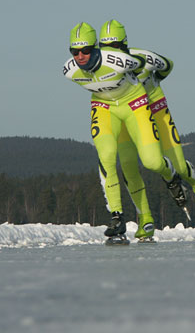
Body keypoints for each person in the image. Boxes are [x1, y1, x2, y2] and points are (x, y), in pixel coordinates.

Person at [62, 22, 187, 243]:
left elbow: (144, 63)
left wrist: (154, 82)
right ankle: (117, 217)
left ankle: (171, 176)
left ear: (96, 48)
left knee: (151, 161)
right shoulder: (69, 70)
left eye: (85, 50)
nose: (80, 56)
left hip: (134, 103)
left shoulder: (119, 61)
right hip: (104, 107)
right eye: (75, 51)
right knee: (107, 156)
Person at [99, 19, 195, 241]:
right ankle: (146, 219)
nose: (110, 55)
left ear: (124, 45)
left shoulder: (142, 57)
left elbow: (168, 66)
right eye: (104, 49)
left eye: (114, 48)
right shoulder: (101, 67)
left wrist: (154, 85)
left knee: (178, 165)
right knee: (128, 167)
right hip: (127, 114)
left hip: (155, 109)